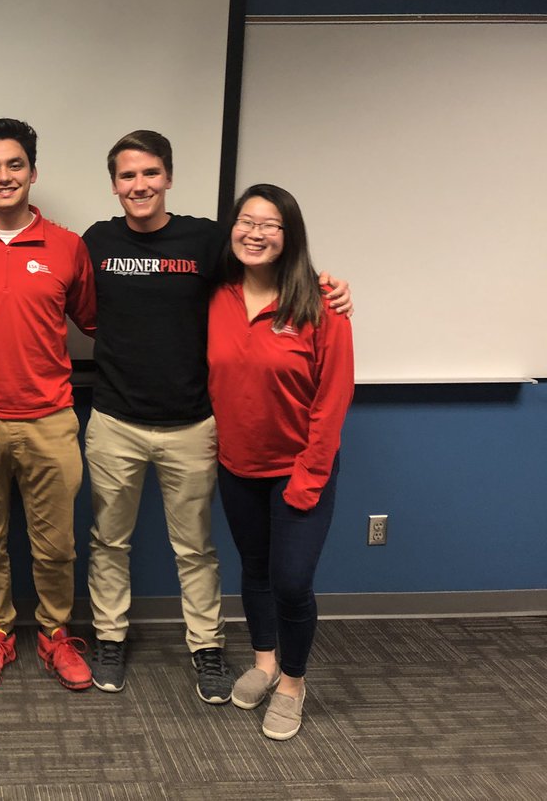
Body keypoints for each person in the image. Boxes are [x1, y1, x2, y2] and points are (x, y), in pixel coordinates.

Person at [82, 131, 352, 701]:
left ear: (170, 177)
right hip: (114, 421)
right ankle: (109, 638)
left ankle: (206, 648)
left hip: (192, 426)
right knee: (109, 541)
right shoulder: (96, 241)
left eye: (150, 173)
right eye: (127, 176)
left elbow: (276, 269)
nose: (140, 185)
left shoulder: (206, 240)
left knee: (197, 549)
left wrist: (332, 285)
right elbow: (81, 310)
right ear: (113, 185)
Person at [0, 118, 97, 693]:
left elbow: (96, 319)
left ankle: (55, 634)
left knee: (56, 543)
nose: (4, 176)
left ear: (33, 172)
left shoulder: (67, 246)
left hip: (49, 418)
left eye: (15, 165)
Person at [207, 183, 354, 741]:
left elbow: (333, 397)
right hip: (236, 467)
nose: (255, 233)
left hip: (299, 470)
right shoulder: (216, 296)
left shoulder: (320, 304)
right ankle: (265, 662)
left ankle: (292, 682)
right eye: (247, 221)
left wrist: (308, 478)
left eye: (270, 225)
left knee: (292, 583)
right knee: (256, 570)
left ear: (289, 236)